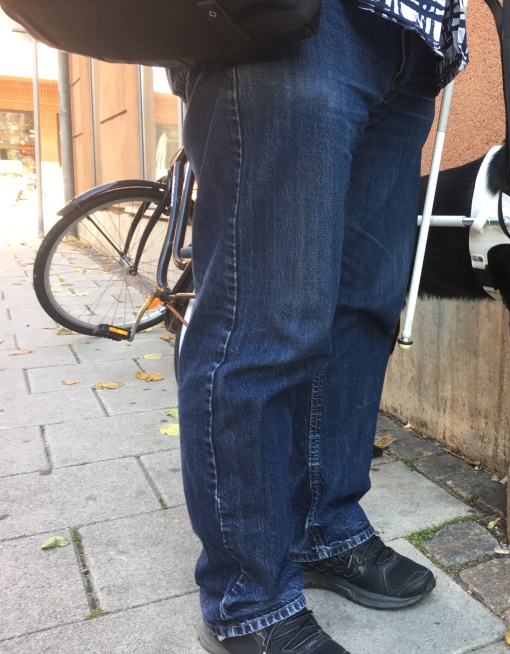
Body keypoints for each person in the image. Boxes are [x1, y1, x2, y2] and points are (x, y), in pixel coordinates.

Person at [174, 1, 468, 652]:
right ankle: (246, 598)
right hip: (292, 20)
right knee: (262, 317)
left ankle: (326, 528)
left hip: (415, 42)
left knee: (362, 308)